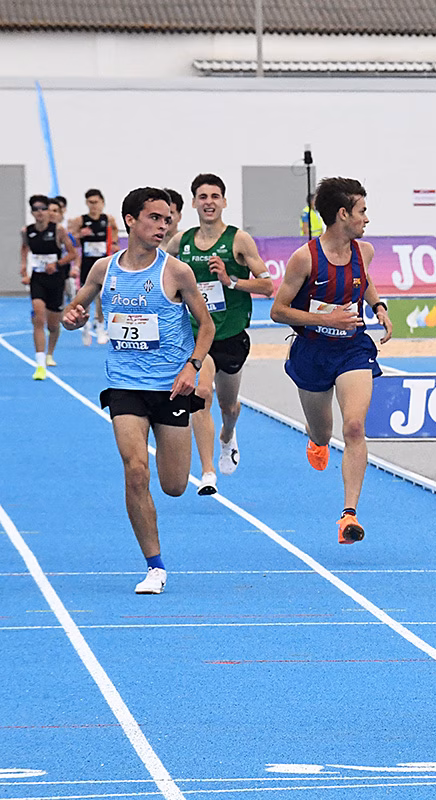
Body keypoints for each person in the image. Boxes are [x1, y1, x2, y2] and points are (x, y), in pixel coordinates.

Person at [61, 187, 214, 594]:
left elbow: (207, 326)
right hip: (125, 384)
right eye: (154, 218)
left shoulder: (177, 272)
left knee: (174, 485)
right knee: (135, 469)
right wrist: (73, 318)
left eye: (167, 219)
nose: (162, 226)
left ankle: (158, 552)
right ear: (131, 219)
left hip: (171, 387)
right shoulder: (102, 269)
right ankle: (155, 566)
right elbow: (73, 312)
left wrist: (192, 367)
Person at [270, 177, 393, 543]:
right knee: (323, 431)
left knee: (354, 427)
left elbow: (364, 280)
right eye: (362, 211)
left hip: (352, 348)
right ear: (342, 214)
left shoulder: (364, 251)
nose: (367, 219)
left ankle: (348, 516)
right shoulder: (304, 258)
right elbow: (278, 311)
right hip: (312, 352)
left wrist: (379, 306)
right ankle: (317, 441)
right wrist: (326, 319)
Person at [164, 173, 274, 496]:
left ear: (224, 202)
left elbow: (268, 285)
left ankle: (228, 435)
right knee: (201, 394)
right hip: (199, 336)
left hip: (232, 336)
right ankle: (207, 471)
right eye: (202, 196)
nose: (209, 202)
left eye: (215, 196)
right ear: (194, 203)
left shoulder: (238, 240)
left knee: (228, 407)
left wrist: (230, 281)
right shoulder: (180, 243)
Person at [19, 194, 77, 378]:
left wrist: (57, 264)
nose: (40, 212)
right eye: (36, 209)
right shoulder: (26, 231)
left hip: (56, 280)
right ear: (32, 212)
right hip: (38, 279)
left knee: (53, 324)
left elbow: (72, 253)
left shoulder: (58, 230)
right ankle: (39, 364)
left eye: (43, 208)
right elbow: (24, 249)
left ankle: (50, 353)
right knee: (38, 318)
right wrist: (24, 269)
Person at [69, 189, 120, 346]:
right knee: (87, 295)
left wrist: (114, 244)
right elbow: (71, 241)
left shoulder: (108, 219)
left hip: (103, 262)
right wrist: (79, 235)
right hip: (87, 263)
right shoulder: (81, 220)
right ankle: (85, 326)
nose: (93, 206)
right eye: (90, 202)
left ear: (102, 203)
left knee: (102, 296)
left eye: (96, 202)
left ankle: (100, 327)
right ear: (86, 203)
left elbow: (115, 233)